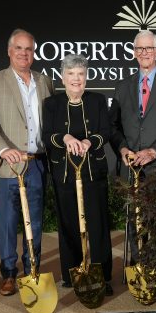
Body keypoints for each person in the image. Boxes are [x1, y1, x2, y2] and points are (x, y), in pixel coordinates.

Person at [0, 29, 54, 296]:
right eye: (19, 48)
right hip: (8, 164)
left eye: (29, 49)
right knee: (8, 222)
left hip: (37, 163)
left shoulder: (44, 81)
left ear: (34, 53)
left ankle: (32, 268)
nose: (24, 53)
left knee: (34, 221)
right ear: (9, 51)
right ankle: (9, 273)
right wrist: (2, 149)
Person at [109, 30, 156, 262]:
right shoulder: (123, 86)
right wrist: (123, 148)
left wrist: (154, 151)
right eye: (139, 49)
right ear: (134, 53)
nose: (144, 53)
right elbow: (113, 126)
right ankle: (139, 267)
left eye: (149, 48)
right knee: (135, 219)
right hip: (131, 167)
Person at [42, 54, 113, 296]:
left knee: (99, 225)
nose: (76, 79)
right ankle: (72, 274)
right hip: (63, 173)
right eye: (71, 74)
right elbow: (47, 136)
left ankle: (102, 276)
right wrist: (66, 138)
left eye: (80, 74)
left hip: (93, 171)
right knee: (68, 224)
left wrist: (89, 141)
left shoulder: (98, 100)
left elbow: (106, 131)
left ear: (86, 77)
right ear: (63, 77)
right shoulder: (51, 104)